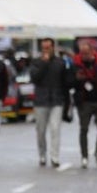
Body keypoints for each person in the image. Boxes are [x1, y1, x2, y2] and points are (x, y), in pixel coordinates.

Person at [70, 41, 97, 168]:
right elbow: (69, 82)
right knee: (84, 129)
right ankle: (84, 156)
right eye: (82, 53)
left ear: (93, 52)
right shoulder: (76, 65)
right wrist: (76, 79)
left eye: (86, 53)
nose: (84, 56)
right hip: (84, 101)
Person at [29, 38, 70, 168]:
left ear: (53, 48)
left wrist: (66, 101)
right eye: (43, 48)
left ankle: (55, 156)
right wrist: (44, 64)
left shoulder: (60, 63)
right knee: (40, 130)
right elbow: (34, 78)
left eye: (48, 48)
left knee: (55, 128)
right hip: (41, 101)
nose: (46, 51)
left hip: (56, 100)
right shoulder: (36, 62)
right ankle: (42, 154)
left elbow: (65, 83)